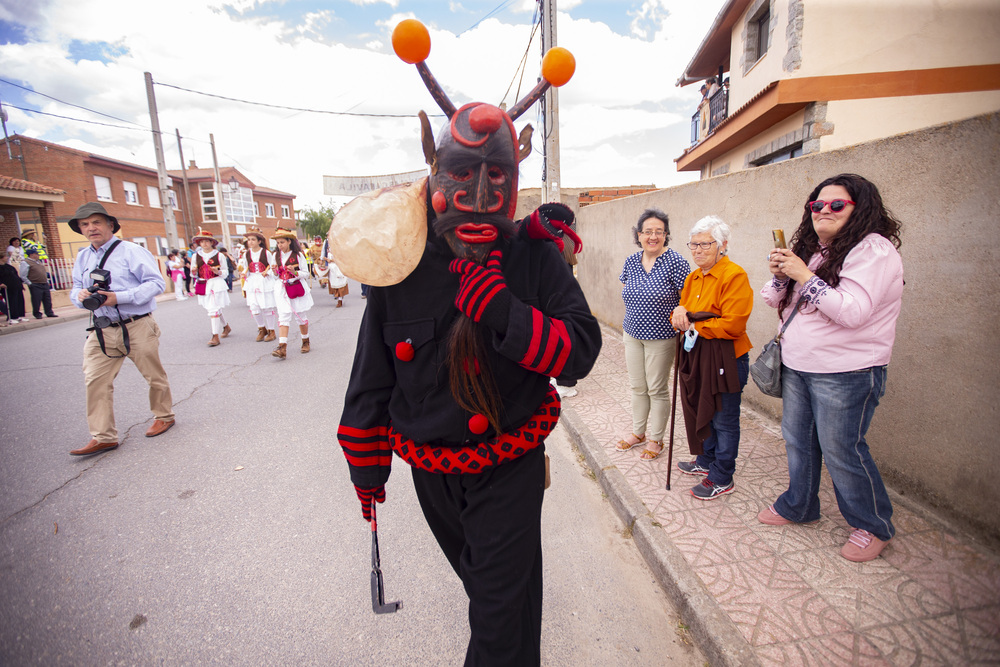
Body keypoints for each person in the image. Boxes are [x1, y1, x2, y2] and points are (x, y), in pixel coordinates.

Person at [338, 29, 600, 664]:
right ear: (434, 166)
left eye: (498, 176)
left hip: (507, 465)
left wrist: (506, 312)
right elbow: (373, 372)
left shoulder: (534, 254)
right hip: (433, 472)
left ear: (517, 174)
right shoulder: (400, 258)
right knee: (494, 596)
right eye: (462, 172)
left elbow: (582, 350)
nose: (480, 195)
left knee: (495, 613)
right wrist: (367, 464)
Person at [758, 173, 903, 563]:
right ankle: (799, 505)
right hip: (799, 365)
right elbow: (772, 300)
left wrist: (803, 274)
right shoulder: (814, 247)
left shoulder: (872, 250)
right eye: (817, 205)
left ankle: (873, 524)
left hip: (847, 371)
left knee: (842, 449)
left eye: (836, 204)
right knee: (798, 440)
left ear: (860, 208)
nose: (824, 210)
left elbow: (852, 312)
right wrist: (782, 273)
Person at [67, 202, 175, 456]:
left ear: (110, 225)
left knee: (153, 375)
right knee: (95, 379)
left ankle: (164, 415)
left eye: (96, 222)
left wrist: (119, 297)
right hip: (101, 328)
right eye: (85, 224)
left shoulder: (130, 251)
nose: (91, 228)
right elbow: (74, 289)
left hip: (136, 324)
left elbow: (155, 284)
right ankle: (103, 436)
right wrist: (80, 295)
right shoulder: (83, 256)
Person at [670, 215, 753, 500]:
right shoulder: (694, 277)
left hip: (726, 358)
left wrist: (694, 324)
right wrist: (678, 311)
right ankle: (706, 460)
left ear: (722, 245)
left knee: (724, 418)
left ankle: (722, 475)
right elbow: (684, 311)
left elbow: (733, 325)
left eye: (705, 244)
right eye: (693, 244)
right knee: (699, 407)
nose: (697, 250)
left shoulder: (734, 275)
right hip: (700, 355)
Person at [616, 208, 690, 459]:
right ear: (639, 235)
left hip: (662, 336)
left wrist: (682, 307)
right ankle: (639, 433)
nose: (653, 236)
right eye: (648, 231)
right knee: (638, 387)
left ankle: (656, 439)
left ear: (666, 235)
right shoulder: (631, 262)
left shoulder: (676, 262)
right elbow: (628, 290)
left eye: (659, 232)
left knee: (656, 389)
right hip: (632, 333)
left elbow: (688, 296)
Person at [270, 227, 313, 357]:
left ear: (289, 241)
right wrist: (274, 272)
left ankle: (306, 341)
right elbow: (275, 277)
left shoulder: (298, 255)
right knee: (283, 317)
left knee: (300, 316)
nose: (280, 245)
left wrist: (295, 272)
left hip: (295, 287)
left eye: (282, 242)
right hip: (282, 289)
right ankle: (282, 347)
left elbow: (306, 273)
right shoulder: (275, 255)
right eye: (278, 243)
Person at [192, 229, 232, 347]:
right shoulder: (196, 256)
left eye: (207, 241)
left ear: (212, 242)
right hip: (203, 283)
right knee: (212, 308)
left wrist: (217, 271)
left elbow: (225, 272)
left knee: (213, 309)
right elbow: (193, 273)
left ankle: (215, 336)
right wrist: (193, 271)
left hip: (216, 283)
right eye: (202, 241)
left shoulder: (219, 255)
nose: (204, 244)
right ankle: (226, 326)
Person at [238, 226, 277, 342]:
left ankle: (271, 330)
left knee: (267, 306)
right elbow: (246, 267)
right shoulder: (246, 254)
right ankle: (261, 328)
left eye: (253, 239)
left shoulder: (266, 253)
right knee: (254, 307)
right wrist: (244, 273)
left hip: (264, 281)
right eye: (249, 240)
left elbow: (273, 266)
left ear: (259, 241)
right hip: (252, 281)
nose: (250, 242)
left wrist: (268, 272)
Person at [19, 247, 57, 319]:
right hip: (35, 284)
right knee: (36, 299)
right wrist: (30, 283)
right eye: (36, 254)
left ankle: (49, 312)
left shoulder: (38, 262)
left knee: (47, 299)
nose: (38, 255)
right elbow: (23, 275)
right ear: (31, 255)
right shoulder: (25, 262)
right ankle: (37, 313)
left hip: (44, 283)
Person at [0, 250, 27, 323]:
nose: (7, 258)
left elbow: (16, 275)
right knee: (12, 302)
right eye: (5, 256)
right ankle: (12, 317)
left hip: (16, 286)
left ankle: (19, 316)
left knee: (19, 301)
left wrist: (21, 284)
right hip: (8, 288)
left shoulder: (9, 267)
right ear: (1, 258)